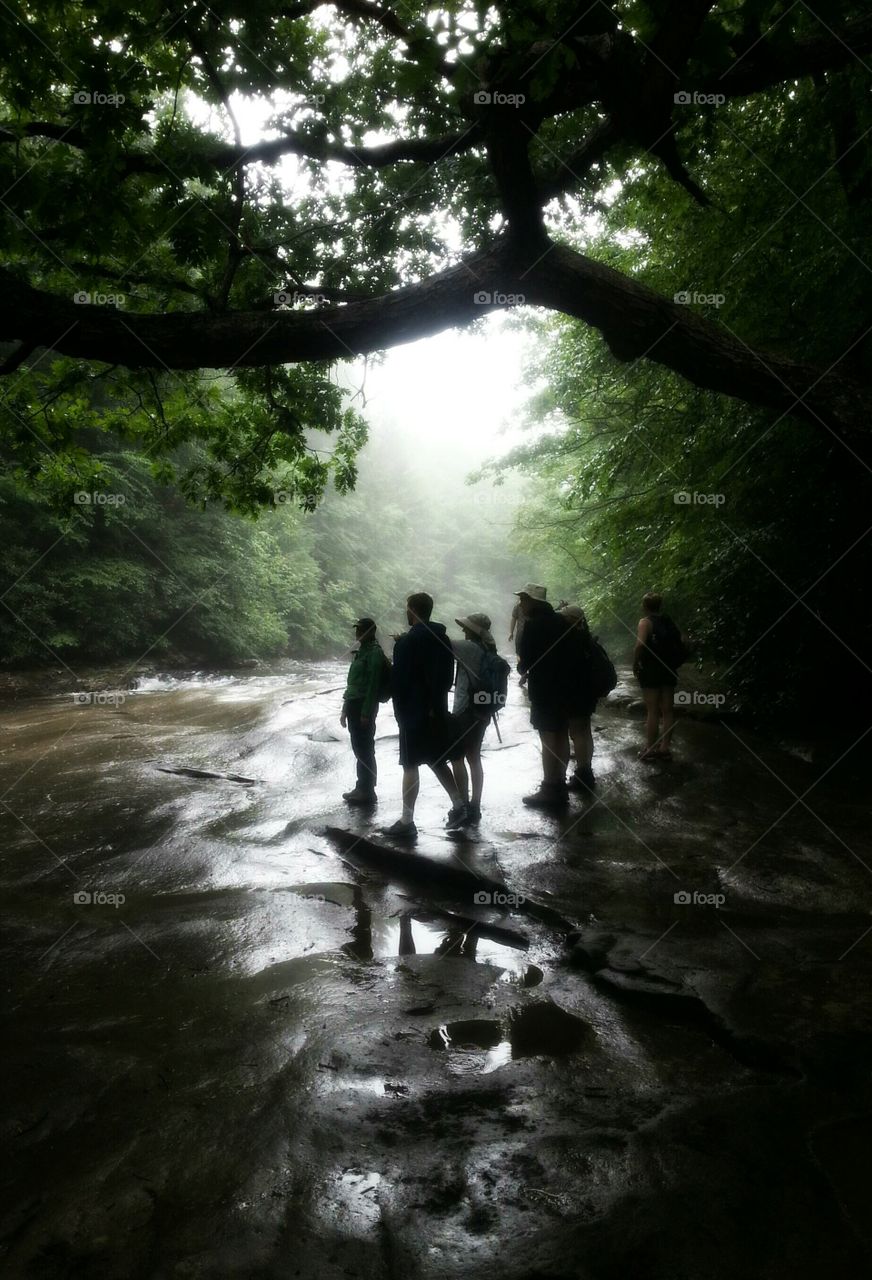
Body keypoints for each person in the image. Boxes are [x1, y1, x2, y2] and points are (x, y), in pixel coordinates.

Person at [386, 592, 466, 838]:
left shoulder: (406, 644)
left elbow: (399, 681)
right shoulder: (442, 639)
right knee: (436, 759)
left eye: (407, 609)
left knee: (410, 764)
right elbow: (446, 678)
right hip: (437, 710)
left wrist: (399, 709)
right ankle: (460, 806)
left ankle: (407, 822)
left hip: (413, 713)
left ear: (412, 610)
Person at [516, 585, 586, 808]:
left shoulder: (533, 626)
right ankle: (560, 783)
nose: (521, 604)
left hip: (544, 689)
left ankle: (550, 788)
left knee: (548, 738)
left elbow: (525, 663)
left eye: (523, 599)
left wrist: (525, 669)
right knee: (562, 734)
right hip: (567, 688)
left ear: (533, 601)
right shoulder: (562, 622)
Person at [449, 612, 499, 825]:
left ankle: (463, 806)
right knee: (474, 757)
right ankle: (475, 805)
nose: (463, 630)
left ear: (474, 630)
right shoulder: (486, 649)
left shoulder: (469, 649)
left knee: (457, 758)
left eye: (466, 627)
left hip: (466, 712)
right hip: (482, 712)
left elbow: (439, 641)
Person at [633, 591, 687, 761]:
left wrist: (635, 662)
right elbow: (683, 641)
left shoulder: (645, 622)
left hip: (652, 670)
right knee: (668, 710)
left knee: (653, 710)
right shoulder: (668, 621)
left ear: (645, 606)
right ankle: (665, 748)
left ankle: (650, 748)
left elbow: (641, 644)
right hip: (668, 669)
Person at [339, 617, 384, 805]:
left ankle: (367, 790)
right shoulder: (361, 652)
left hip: (363, 706)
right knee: (359, 748)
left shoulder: (374, 653)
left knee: (365, 749)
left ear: (371, 632)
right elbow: (352, 684)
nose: (357, 633)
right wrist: (344, 709)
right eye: (357, 630)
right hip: (353, 704)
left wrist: (366, 712)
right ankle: (361, 787)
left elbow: (374, 684)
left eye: (361, 630)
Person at [559, 605, 598, 791]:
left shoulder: (572, 639)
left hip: (576, 692)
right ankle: (586, 771)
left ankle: (583, 775)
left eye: (564, 617)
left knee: (577, 733)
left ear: (571, 619)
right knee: (585, 731)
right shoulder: (587, 638)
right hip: (588, 691)